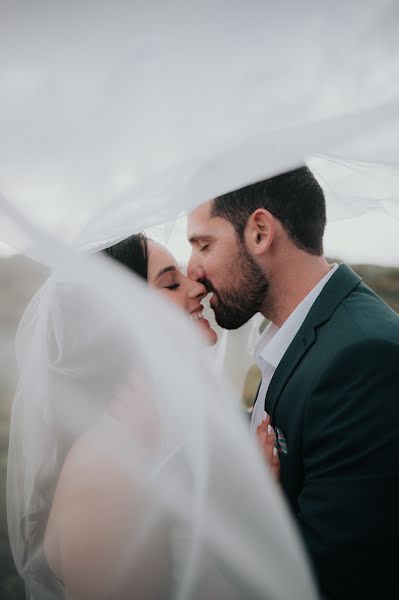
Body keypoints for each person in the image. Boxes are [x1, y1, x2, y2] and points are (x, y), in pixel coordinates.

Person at [7, 227, 318, 600]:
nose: (197, 288)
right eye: (171, 284)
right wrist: (253, 517)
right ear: (117, 319)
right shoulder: (108, 468)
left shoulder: (178, 429)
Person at [187, 165, 399, 600]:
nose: (193, 271)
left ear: (260, 232)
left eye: (204, 245)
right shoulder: (302, 336)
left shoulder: (363, 358)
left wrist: (246, 507)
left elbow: (334, 584)